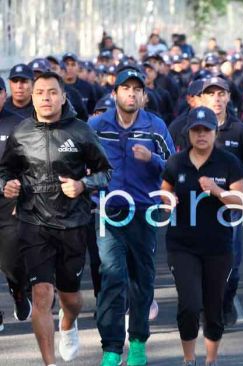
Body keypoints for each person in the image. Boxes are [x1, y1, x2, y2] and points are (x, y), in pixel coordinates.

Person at [0, 72, 112, 366]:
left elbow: (105, 172)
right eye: (40, 93)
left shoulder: (81, 132)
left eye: (52, 92)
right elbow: (5, 170)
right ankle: (49, 363)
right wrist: (7, 184)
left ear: (64, 97)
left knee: (71, 299)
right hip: (33, 222)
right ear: (33, 98)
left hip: (72, 224)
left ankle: (68, 323)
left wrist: (82, 185)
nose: (45, 98)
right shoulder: (22, 133)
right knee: (41, 294)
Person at [88, 68, 175, 366]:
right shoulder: (97, 125)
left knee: (142, 279)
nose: (131, 93)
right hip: (108, 211)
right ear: (114, 94)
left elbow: (173, 167)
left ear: (144, 95)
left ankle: (137, 343)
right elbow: (80, 162)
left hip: (143, 212)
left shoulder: (155, 126)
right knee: (111, 277)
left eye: (137, 89)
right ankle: (111, 348)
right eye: (125, 88)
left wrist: (151, 158)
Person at [161, 106, 243, 366]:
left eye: (206, 130)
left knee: (213, 307)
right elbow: (163, 192)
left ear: (215, 132)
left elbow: (240, 202)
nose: (201, 135)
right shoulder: (176, 162)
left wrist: (217, 190)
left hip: (218, 246)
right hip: (182, 244)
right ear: (188, 133)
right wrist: (167, 200)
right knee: (189, 304)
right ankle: (189, 359)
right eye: (196, 130)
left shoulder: (228, 162)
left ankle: (211, 360)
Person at [0, 76, 30, 332]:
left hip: (9, 202)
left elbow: (30, 166)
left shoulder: (18, 125)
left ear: (3, 95)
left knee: (10, 260)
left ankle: (19, 291)